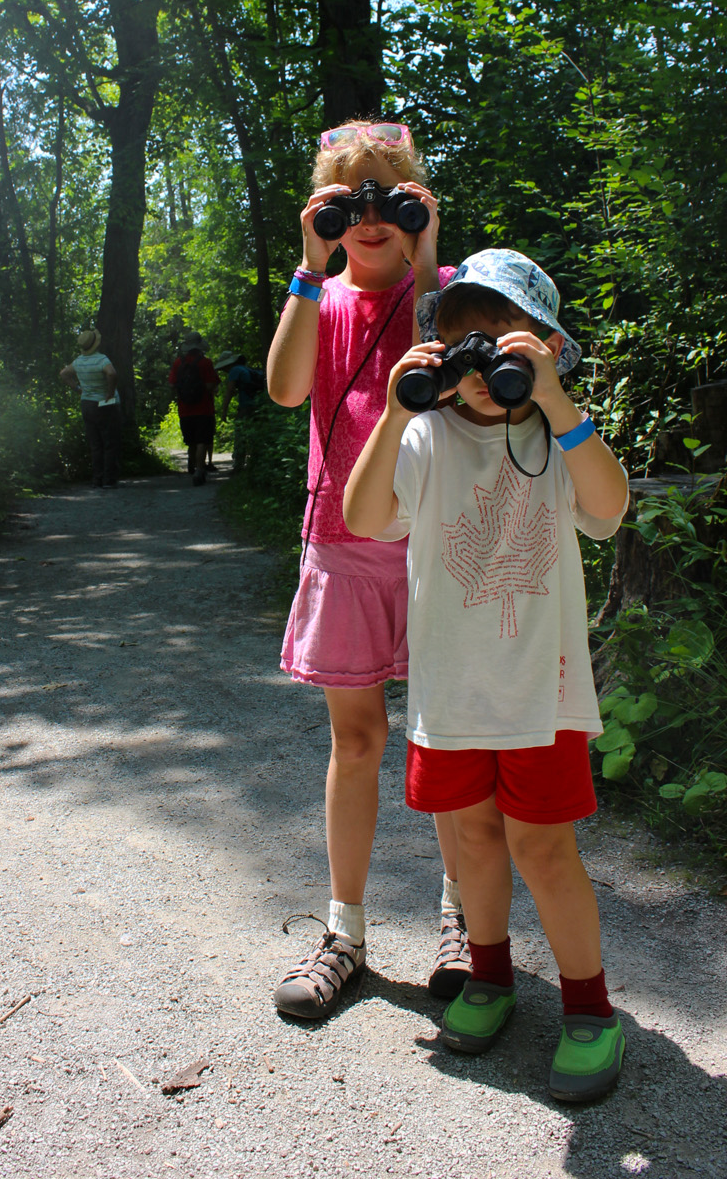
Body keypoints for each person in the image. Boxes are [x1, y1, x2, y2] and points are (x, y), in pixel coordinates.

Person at [343, 248, 629, 1101]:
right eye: (462, 340)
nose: (479, 359)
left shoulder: (556, 433)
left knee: (544, 848)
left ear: (545, 345)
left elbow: (609, 512)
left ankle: (590, 1007)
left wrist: (554, 399)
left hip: (539, 694)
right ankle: (491, 977)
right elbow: (363, 518)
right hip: (453, 691)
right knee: (472, 842)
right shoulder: (428, 437)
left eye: (501, 338)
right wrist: (397, 412)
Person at [267, 119, 466, 1022]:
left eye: (391, 193)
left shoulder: (452, 292)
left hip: (442, 546)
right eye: (350, 199)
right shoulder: (322, 296)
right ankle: (345, 931)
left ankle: (464, 922)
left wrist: (429, 263)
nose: (371, 215)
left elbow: (462, 376)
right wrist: (311, 269)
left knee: (447, 739)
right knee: (358, 741)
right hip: (343, 547)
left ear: (419, 203)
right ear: (326, 213)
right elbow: (283, 387)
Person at [60, 328, 120, 489]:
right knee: (109, 442)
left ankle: (97, 479)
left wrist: (78, 389)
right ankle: (109, 480)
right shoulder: (101, 360)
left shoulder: (79, 361)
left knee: (95, 444)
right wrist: (110, 392)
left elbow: (64, 374)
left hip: (87, 404)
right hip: (104, 405)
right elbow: (112, 374)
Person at [169, 331, 219, 485]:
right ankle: (199, 470)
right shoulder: (205, 362)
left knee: (191, 441)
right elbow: (211, 385)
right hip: (204, 409)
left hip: (185, 409)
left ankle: (192, 465)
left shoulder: (178, 362)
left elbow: (171, 384)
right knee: (202, 440)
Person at [214, 350, 265, 472]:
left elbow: (230, 391)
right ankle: (256, 463)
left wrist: (224, 411)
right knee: (255, 434)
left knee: (240, 435)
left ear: (227, 365)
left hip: (246, 406)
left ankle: (239, 466)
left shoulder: (234, 371)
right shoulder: (245, 369)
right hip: (258, 405)